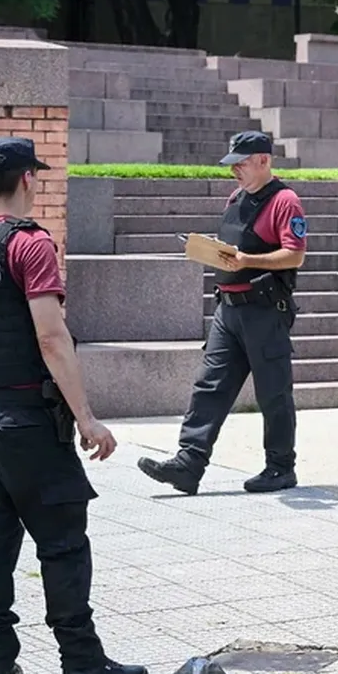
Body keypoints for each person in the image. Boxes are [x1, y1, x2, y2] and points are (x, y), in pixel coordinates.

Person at [0, 137, 148, 674]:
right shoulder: (28, 245)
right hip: (24, 418)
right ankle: (81, 663)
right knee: (63, 540)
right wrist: (88, 418)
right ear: (28, 179)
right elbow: (51, 337)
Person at [138, 131, 307, 495]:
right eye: (232, 165)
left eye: (241, 164)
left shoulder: (285, 201)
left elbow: (295, 254)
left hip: (264, 310)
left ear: (263, 160)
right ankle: (188, 464)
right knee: (209, 387)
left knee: (273, 393)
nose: (235, 172)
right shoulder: (236, 197)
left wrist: (248, 260)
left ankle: (280, 468)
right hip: (228, 310)